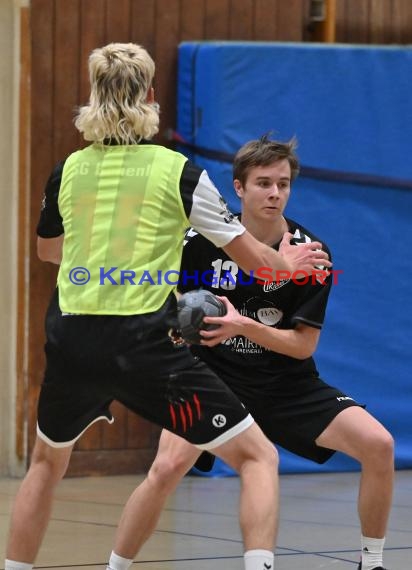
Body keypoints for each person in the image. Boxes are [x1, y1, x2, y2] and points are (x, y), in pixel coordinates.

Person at [4, 45, 331, 570]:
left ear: (92, 98)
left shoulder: (67, 170)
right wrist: (287, 263)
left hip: (72, 341)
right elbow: (262, 268)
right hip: (145, 348)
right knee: (258, 456)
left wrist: (107, 249)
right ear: (152, 97)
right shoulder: (179, 174)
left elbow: (48, 250)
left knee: (46, 463)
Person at [105, 136, 394, 570]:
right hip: (211, 376)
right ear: (238, 188)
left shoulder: (311, 254)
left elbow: (303, 346)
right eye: (263, 183)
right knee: (167, 466)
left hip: (284, 381)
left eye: (283, 183)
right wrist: (174, 327)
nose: (275, 193)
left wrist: (243, 325)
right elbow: (162, 301)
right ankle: (115, 567)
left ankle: (371, 563)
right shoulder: (199, 242)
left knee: (379, 445)